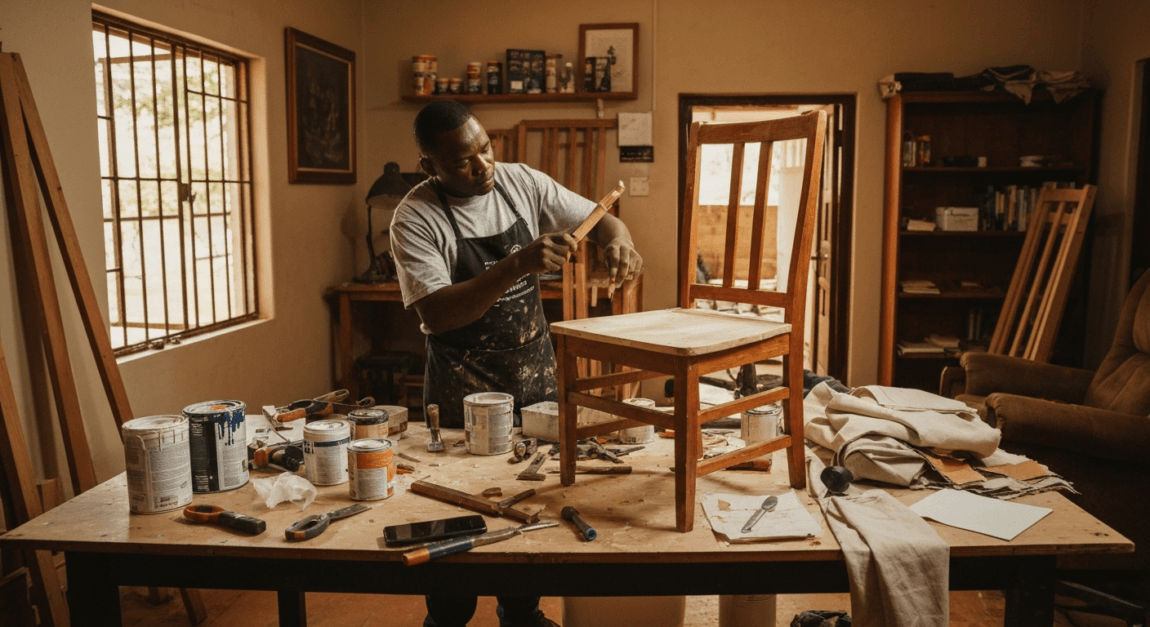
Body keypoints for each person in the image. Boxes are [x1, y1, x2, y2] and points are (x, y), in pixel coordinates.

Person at [389, 100, 642, 627]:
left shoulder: (521, 182)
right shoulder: (415, 216)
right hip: (462, 384)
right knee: (457, 514)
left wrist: (621, 241)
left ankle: (521, 615)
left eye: (486, 148)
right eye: (463, 161)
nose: (483, 166)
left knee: (529, 504)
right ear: (429, 165)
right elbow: (438, 314)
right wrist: (517, 263)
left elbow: (603, 222)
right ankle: (448, 618)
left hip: (531, 372)